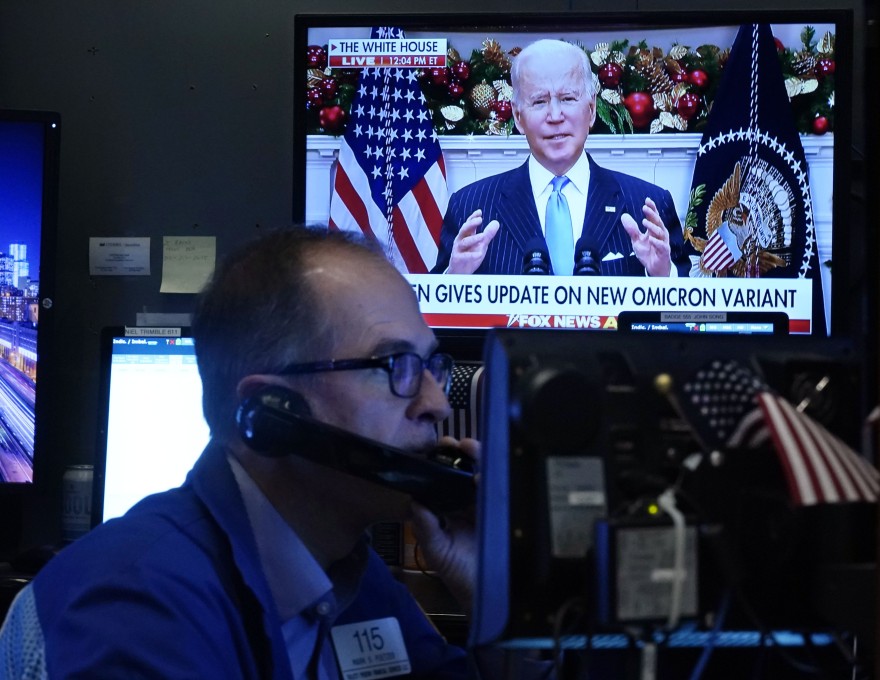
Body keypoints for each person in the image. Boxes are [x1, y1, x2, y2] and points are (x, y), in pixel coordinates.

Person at [0, 227, 481, 678]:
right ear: (273, 415)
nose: (436, 404)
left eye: (431, 365)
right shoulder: (133, 609)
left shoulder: (346, 569)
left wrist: (493, 591)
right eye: (395, 365)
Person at [432, 39, 683, 277]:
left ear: (592, 109)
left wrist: (661, 274)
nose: (555, 116)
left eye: (567, 99)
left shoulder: (647, 207)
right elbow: (433, 312)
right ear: (518, 117)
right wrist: (455, 277)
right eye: (539, 101)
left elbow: (689, 312)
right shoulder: (470, 208)